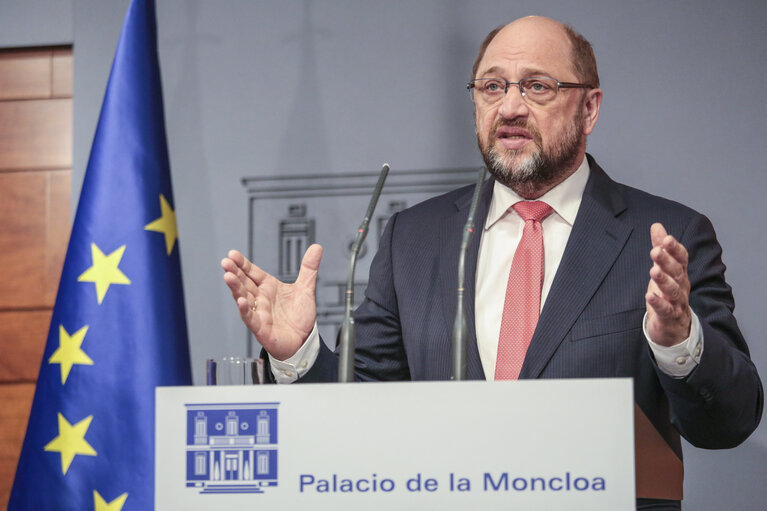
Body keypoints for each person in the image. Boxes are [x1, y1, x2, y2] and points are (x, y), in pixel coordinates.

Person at [222, 16, 762, 510]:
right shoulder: (416, 237)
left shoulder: (665, 236)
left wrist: (678, 341)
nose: (509, 107)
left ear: (589, 108)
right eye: (492, 87)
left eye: (537, 86)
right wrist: (299, 353)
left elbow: (727, 422)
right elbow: (359, 413)